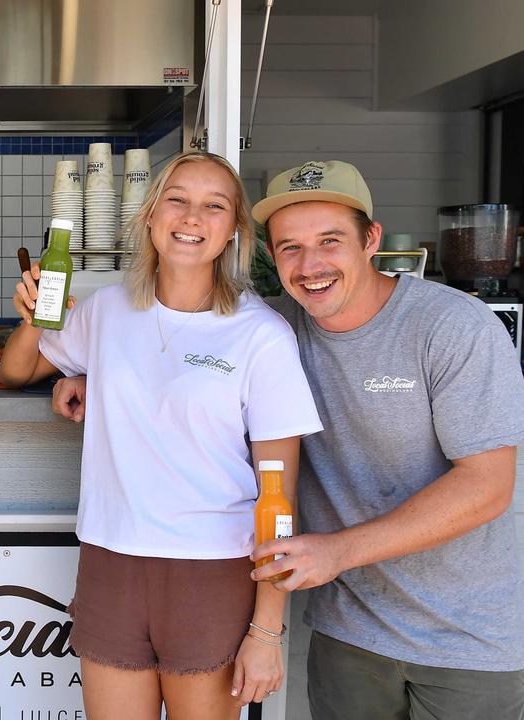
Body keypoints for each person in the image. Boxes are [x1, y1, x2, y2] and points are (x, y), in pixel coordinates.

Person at [54, 160, 524, 719]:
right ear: (269, 255)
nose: (311, 266)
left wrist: (335, 553)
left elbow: (487, 487)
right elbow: (186, 348)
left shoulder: (452, 326)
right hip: (349, 628)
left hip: (464, 636)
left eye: (330, 242)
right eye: (290, 248)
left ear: (371, 239)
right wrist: (91, 373)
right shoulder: (275, 325)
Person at [0, 151, 323, 720]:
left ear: (233, 232)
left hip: (212, 570)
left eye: (213, 206)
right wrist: (35, 319)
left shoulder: (260, 336)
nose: (192, 217)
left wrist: (267, 629)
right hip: (110, 559)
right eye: (177, 199)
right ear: (151, 215)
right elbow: (17, 371)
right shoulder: (107, 310)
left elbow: (279, 499)